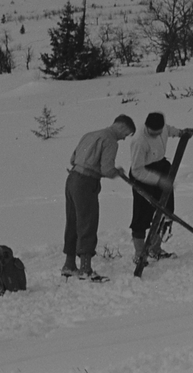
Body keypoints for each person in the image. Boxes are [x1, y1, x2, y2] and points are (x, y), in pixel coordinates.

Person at [63, 114, 136, 280]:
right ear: (122, 127)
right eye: (126, 134)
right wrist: (117, 172)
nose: (124, 139)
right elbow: (106, 169)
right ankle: (85, 269)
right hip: (86, 182)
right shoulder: (110, 141)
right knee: (87, 222)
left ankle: (69, 265)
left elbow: (72, 158)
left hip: (72, 178)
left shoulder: (90, 134)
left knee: (73, 221)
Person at [130, 112, 193, 263]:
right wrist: (159, 181)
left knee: (166, 211)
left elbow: (169, 129)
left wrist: (181, 133)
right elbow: (137, 170)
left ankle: (155, 248)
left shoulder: (163, 128)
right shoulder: (139, 141)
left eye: (158, 132)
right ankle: (139, 254)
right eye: (153, 132)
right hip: (143, 175)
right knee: (141, 216)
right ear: (146, 126)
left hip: (161, 168)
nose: (156, 134)